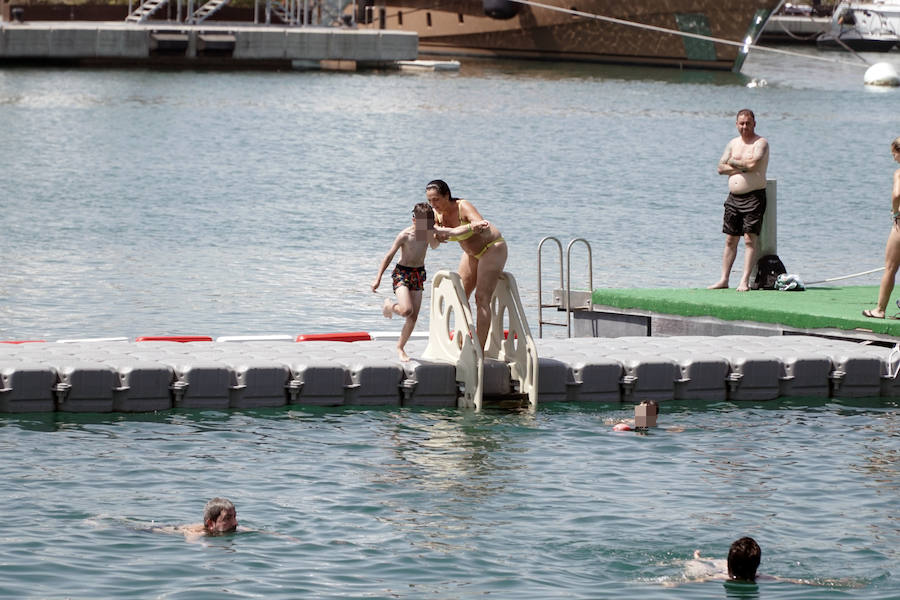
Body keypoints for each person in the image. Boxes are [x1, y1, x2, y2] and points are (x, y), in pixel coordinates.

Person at [426, 179, 507, 352]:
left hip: (492, 248)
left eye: (437, 200)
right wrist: (435, 236)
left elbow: (480, 224)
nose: (434, 204)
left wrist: (470, 226)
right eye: (430, 201)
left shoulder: (463, 206)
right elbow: (427, 240)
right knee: (459, 295)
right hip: (471, 253)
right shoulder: (434, 214)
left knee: (481, 298)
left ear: (447, 195)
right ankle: (467, 339)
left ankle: (480, 350)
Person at [709, 109, 770, 292]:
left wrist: (733, 163)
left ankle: (744, 281)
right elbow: (720, 167)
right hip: (734, 198)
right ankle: (724, 279)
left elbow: (752, 165)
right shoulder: (733, 143)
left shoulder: (761, 143)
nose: (745, 126)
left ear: (754, 124)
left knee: (750, 239)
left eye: (748, 123)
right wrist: (741, 168)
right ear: (736, 124)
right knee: (730, 239)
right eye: (741, 123)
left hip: (753, 197)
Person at [371, 202, 437, 361]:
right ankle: (389, 305)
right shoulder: (405, 236)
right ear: (414, 220)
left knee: (413, 317)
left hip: (418, 274)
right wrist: (378, 278)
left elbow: (438, 240)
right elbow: (389, 256)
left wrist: (439, 235)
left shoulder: (426, 234)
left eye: (429, 223)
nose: (426, 227)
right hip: (402, 273)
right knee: (407, 310)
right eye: (423, 224)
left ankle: (400, 347)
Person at [863, 136, 900, 319]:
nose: (892, 157)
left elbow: (896, 194)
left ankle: (880, 310)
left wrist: (895, 212)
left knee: (890, 267)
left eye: (893, 153)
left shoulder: (899, 173)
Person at [173, 497, 240, 540]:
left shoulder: (234, 528)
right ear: (210, 524)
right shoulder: (196, 534)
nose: (236, 523)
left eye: (234, 516)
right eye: (227, 518)